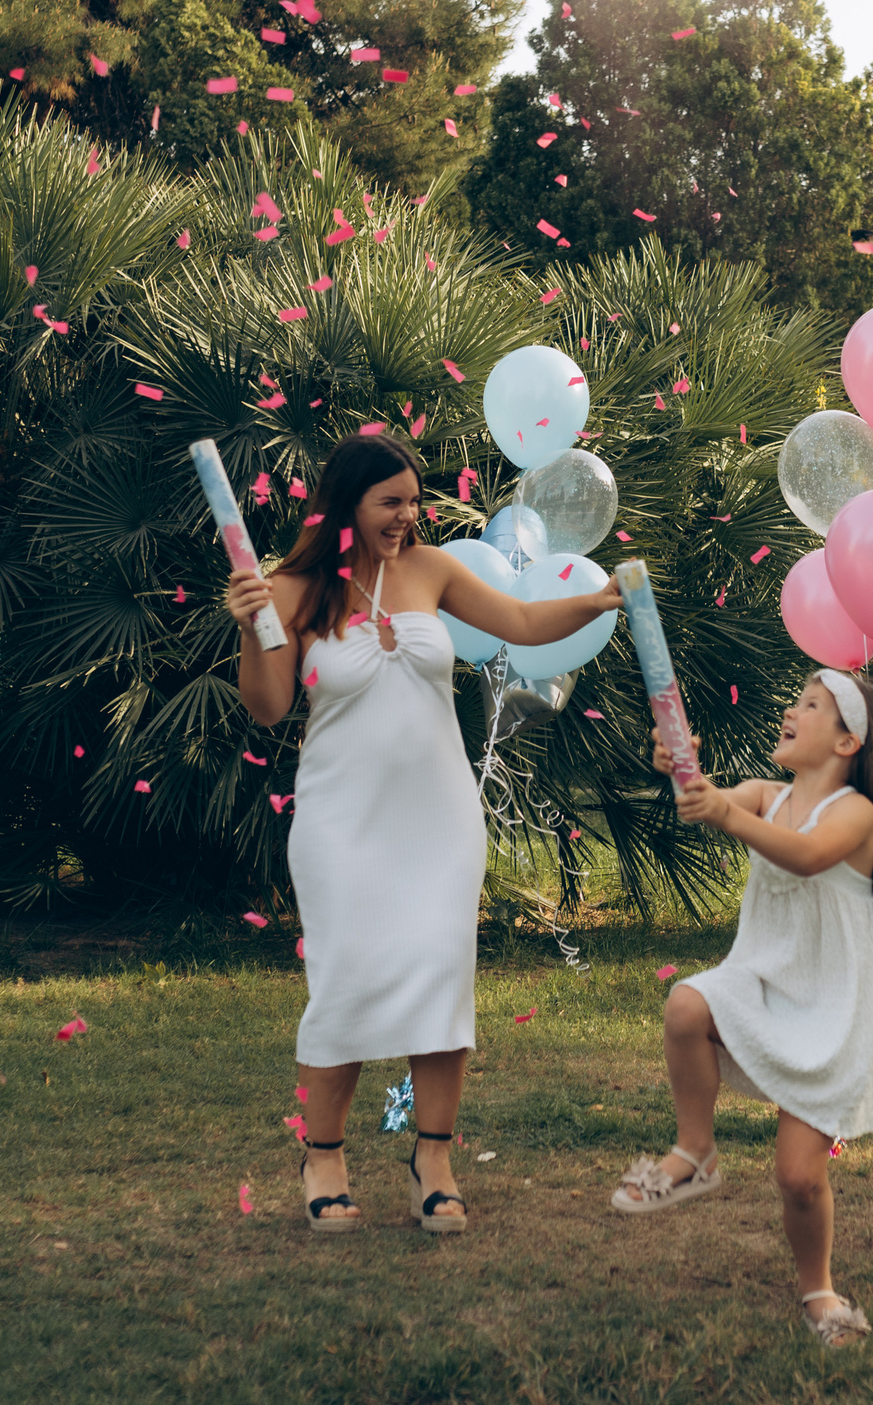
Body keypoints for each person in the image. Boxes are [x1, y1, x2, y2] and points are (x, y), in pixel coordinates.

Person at [224, 431, 620, 1238]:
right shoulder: (292, 588)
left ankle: (431, 1161)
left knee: (442, 984)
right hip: (342, 823)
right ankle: (323, 1157)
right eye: (389, 502)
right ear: (347, 505)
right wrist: (249, 625)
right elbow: (266, 707)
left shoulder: (433, 568)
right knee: (345, 984)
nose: (407, 515)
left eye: (413, 499)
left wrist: (603, 600)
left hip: (439, 821)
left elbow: (520, 619)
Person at [607, 670, 873, 1348]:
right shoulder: (764, 795)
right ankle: (696, 1150)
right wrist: (681, 769)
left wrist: (727, 814)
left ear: (848, 740)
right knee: (687, 1004)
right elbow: (710, 802)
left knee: (800, 1177)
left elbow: (809, 856)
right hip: (762, 979)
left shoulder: (856, 813)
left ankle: (819, 1288)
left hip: (831, 1008)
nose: (790, 708)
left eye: (810, 704)